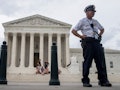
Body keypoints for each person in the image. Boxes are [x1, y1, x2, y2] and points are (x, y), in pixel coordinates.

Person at [72, 5, 112, 87]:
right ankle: (85, 80)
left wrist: (99, 36)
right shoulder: (82, 21)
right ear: (87, 12)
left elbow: (102, 29)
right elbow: (73, 31)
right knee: (87, 62)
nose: (93, 13)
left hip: (96, 42)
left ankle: (103, 80)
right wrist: (81, 36)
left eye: (94, 12)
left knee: (100, 62)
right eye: (91, 11)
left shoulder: (95, 21)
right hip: (88, 42)